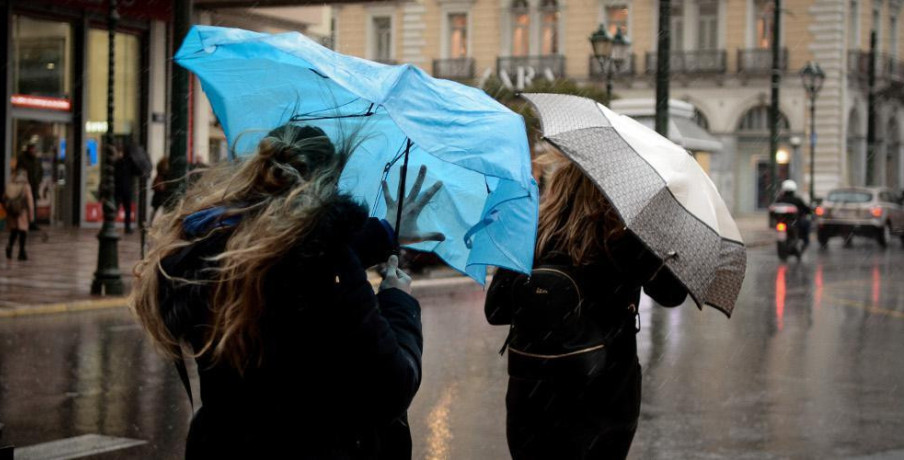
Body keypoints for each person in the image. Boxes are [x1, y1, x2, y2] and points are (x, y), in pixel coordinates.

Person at [131, 124, 442, 459]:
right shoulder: (323, 267)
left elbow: (289, 257)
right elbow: (392, 387)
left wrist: (385, 232)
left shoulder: (215, 247)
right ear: (328, 183)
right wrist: (398, 301)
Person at [485, 154, 687, 460]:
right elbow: (673, 295)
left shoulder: (532, 234)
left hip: (532, 399)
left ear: (559, 186)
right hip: (604, 400)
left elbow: (496, 311)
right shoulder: (621, 238)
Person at [3, 168, 35, 260]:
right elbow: (30, 202)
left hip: (12, 212)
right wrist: (31, 216)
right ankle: (21, 252)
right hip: (22, 212)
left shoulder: (10, 184)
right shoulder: (26, 186)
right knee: (23, 231)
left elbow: (5, 198)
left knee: (14, 231)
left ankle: (10, 246)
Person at [774, 179, 811, 247]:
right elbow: (806, 209)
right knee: (806, 224)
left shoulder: (780, 199)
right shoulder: (797, 200)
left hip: (784, 222)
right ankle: (805, 241)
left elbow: (774, 209)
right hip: (794, 222)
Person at [17, 143, 41, 231]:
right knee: (24, 205)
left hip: (34, 186)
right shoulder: (22, 158)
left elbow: (40, 170)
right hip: (25, 186)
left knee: (32, 205)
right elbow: (19, 171)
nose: (33, 151)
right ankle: (23, 223)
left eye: (34, 149)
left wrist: (38, 180)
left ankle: (32, 223)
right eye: (31, 149)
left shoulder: (36, 159)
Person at [113, 142, 136, 233]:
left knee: (127, 209)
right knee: (116, 207)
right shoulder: (117, 162)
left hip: (126, 189)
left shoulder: (129, 162)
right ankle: (112, 225)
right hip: (118, 188)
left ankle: (127, 227)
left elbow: (135, 172)